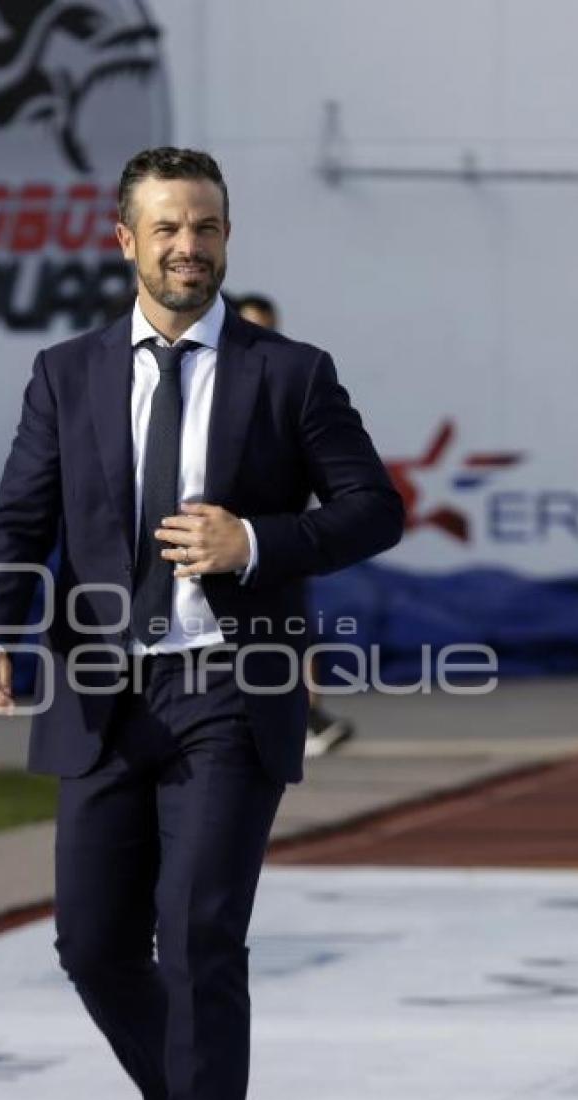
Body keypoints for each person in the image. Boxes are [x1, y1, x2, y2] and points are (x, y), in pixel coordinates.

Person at [0, 147, 403, 1100]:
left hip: (231, 685)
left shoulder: (289, 373)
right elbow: (18, 522)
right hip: (104, 693)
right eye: (165, 228)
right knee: (90, 943)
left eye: (204, 228)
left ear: (225, 238)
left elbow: (371, 509)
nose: (187, 248)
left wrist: (255, 541)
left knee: (199, 933)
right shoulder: (65, 375)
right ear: (123, 240)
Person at [233, 293, 356, 757]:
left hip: (275, 537)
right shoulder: (206, 381)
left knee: (296, 629)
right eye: (251, 326)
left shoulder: (296, 377)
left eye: (268, 326)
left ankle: (305, 715)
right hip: (220, 545)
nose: (261, 336)